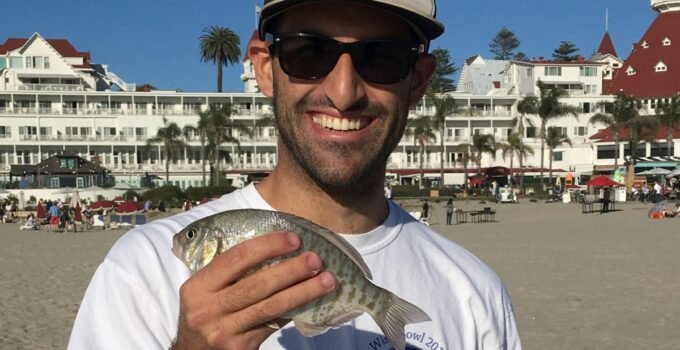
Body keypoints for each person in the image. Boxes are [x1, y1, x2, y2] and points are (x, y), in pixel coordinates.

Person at [69, 2, 521, 349]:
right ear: (265, 68)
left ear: (419, 81)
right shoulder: (142, 272)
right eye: (310, 52)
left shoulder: (474, 291)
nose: (343, 93)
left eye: (381, 58)